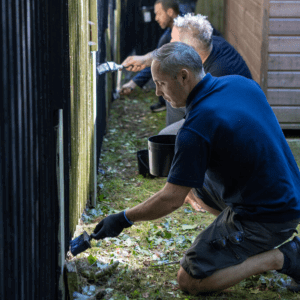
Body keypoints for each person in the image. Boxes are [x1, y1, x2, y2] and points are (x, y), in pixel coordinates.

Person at [92, 42, 300, 295]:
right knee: (190, 184)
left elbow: (170, 200)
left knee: (190, 279)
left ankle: (282, 257)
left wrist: (124, 218)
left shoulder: (198, 125)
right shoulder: (240, 83)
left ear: (183, 76)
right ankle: (240, 240)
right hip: (288, 191)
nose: (157, 92)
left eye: (161, 83)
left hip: (270, 215)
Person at [123, 14, 252, 125]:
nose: (169, 42)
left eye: (173, 39)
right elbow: (172, 53)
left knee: (173, 93)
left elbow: (209, 118)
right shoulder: (209, 43)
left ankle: (174, 142)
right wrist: (145, 59)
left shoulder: (216, 75)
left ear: (189, 49)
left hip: (230, 122)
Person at [120, 0, 180, 112]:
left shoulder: (182, 32)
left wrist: (134, 82)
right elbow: (156, 61)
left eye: (159, 13)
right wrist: (134, 82)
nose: (156, 18)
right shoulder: (169, 33)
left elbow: (157, 62)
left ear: (170, 12)